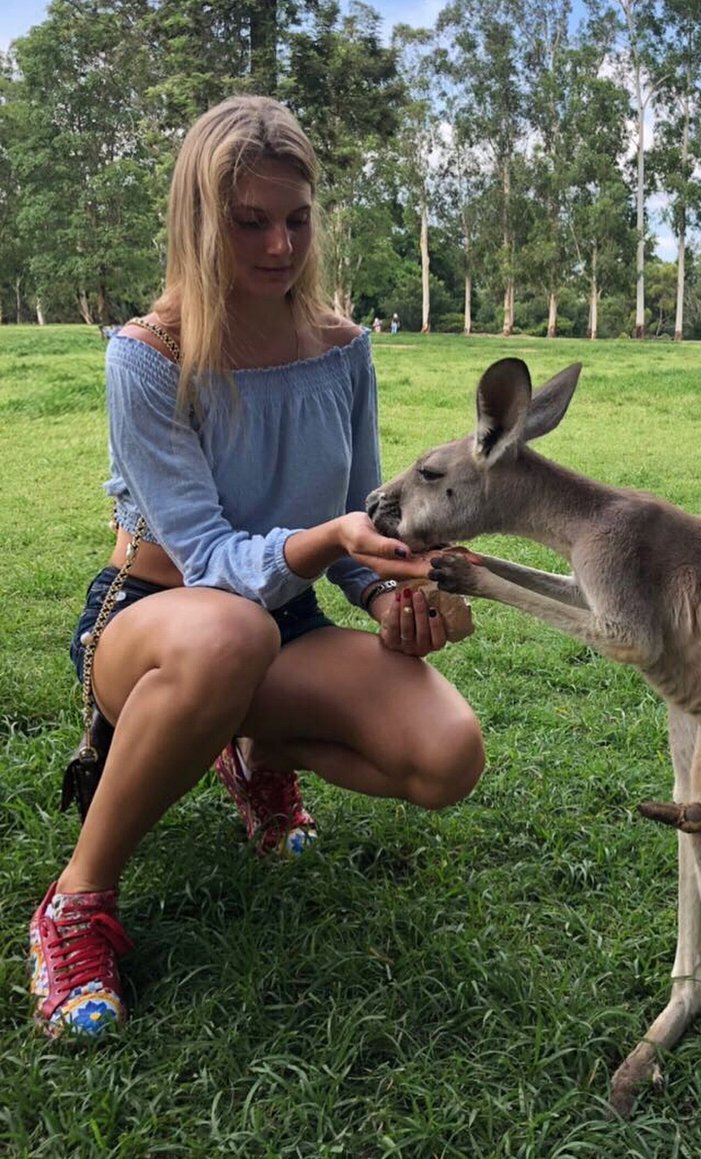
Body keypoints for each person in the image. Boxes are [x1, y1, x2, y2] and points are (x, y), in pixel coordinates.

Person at [28, 95, 485, 1039]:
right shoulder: (149, 356)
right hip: (155, 617)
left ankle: (256, 754)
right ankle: (75, 902)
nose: (279, 245)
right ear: (201, 220)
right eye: (249, 222)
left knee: (448, 756)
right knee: (227, 627)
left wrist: (403, 586)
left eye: (296, 219)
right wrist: (330, 547)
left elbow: (364, 515)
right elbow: (206, 560)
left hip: (284, 623)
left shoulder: (344, 347)